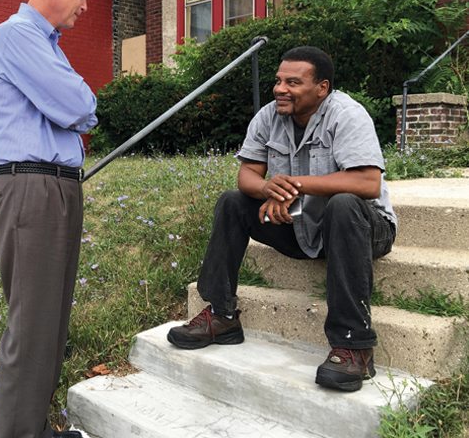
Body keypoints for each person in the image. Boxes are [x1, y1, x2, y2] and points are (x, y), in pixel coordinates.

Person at [167, 46, 397, 393]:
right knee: (232, 202)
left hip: (362, 228)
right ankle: (222, 316)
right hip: (301, 224)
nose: (280, 89)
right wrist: (268, 191)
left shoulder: (347, 114)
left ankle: (354, 346)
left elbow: (367, 182)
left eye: (293, 82)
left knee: (344, 204)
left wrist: (294, 187)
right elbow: (247, 177)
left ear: (322, 88)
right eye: (278, 80)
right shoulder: (269, 116)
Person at [0, 0, 97, 438]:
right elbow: (79, 104)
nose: (85, 6)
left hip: (57, 187)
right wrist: (79, 100)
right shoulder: (15, 36)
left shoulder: (48, 44)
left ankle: (34, 428)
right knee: (31, 330)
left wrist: (77, 103)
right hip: (31, 187)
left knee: (50, 324)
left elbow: (79, 110)